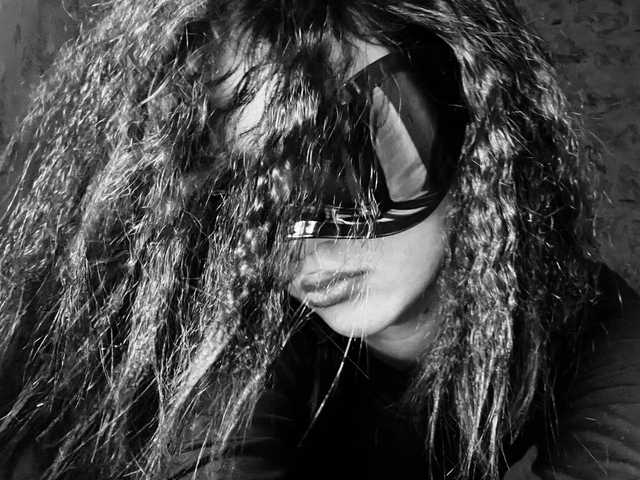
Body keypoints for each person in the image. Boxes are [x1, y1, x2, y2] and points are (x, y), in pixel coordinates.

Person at [0, 0, 639, 479]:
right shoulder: (239, 317)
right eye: (245, 197)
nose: (297, 243)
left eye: (347, 168)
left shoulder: (603, 339)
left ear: (472, 122)